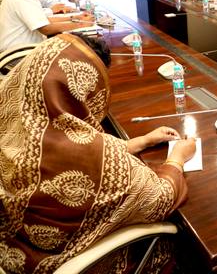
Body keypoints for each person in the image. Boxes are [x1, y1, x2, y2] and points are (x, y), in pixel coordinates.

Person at [0, 33, 197, 273]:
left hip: (13, 245)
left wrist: (138, 142)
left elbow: (70, 138)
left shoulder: (12, 118)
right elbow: (160, 198)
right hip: (62, 262)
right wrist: (177, 158)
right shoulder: (89, 160)